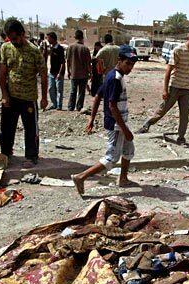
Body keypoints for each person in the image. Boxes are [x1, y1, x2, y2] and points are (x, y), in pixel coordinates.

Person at [71, 45, 138, 195]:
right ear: (119, 60)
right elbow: (112, 106)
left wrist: (92, 119)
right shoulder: (115, 78)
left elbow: (98, 96)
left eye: (132, 64)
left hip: (120, 123)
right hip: (116, 125)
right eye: (128, 63)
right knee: (112, 157)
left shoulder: (111, 75)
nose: (130, 68)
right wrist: (125, 130)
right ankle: (81, 177)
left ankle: (123, 178)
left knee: (128, 150)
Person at [136, 28, 189, 143]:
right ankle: (148, 124)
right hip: (174, 86)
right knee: (163, 110)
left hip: (186, 88)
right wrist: (165, 90)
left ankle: (181, 137)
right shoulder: (178, 50)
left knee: (185, 116)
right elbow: (168, 72)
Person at [0, 20, 48, 164]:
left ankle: (31, 156)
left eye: (15, 38)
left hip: (29, 98)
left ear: (22, 34)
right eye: (10, 38)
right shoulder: (5, 48)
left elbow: (43, 75)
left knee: (31, 129)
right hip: (11, 97)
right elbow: (1, 73)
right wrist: (4, 95)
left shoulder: (34, 51)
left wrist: (44, 98)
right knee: (7, 128)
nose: (13, 41)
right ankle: (6, 154)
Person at [66, 29, 91, 111]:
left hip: (74, 73)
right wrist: (90, 72)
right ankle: (79, 107)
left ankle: (70, 107)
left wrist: (68, 71)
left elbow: (68, 61)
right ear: (82, 37)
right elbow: (88, 63)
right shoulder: (85, 49)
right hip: (83, 74)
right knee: (81, 92)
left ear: (75, 37)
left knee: (73, 91)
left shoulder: (70, 47)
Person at [46, 32, 65, 110]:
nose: (47, 39)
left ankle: (59, 106)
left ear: (53, 38)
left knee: (59, 90)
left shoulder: (59, 48)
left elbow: (62, 63)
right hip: (51, 72)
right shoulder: (51, 48)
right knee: (51, 89)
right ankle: (54, 104)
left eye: (48, 38)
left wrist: (60, 73)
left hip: (58, 73)